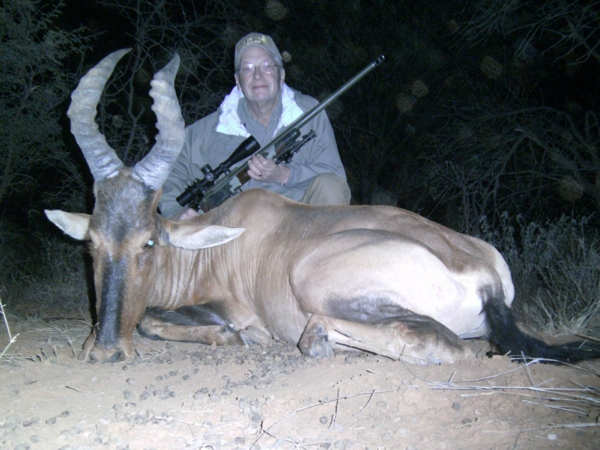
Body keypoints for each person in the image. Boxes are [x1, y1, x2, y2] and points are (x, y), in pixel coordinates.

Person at [159, 32, 351, 220]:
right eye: (247, 68)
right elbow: (168, 178)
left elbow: (335, 173)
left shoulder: (310, 113)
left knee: (331, 187)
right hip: (239, 231)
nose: (258, 75)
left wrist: (284, 175)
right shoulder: (204, 131)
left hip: (300, 226)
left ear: (281, 75)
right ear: (238, 80)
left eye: (267, 66)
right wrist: (176, 213)